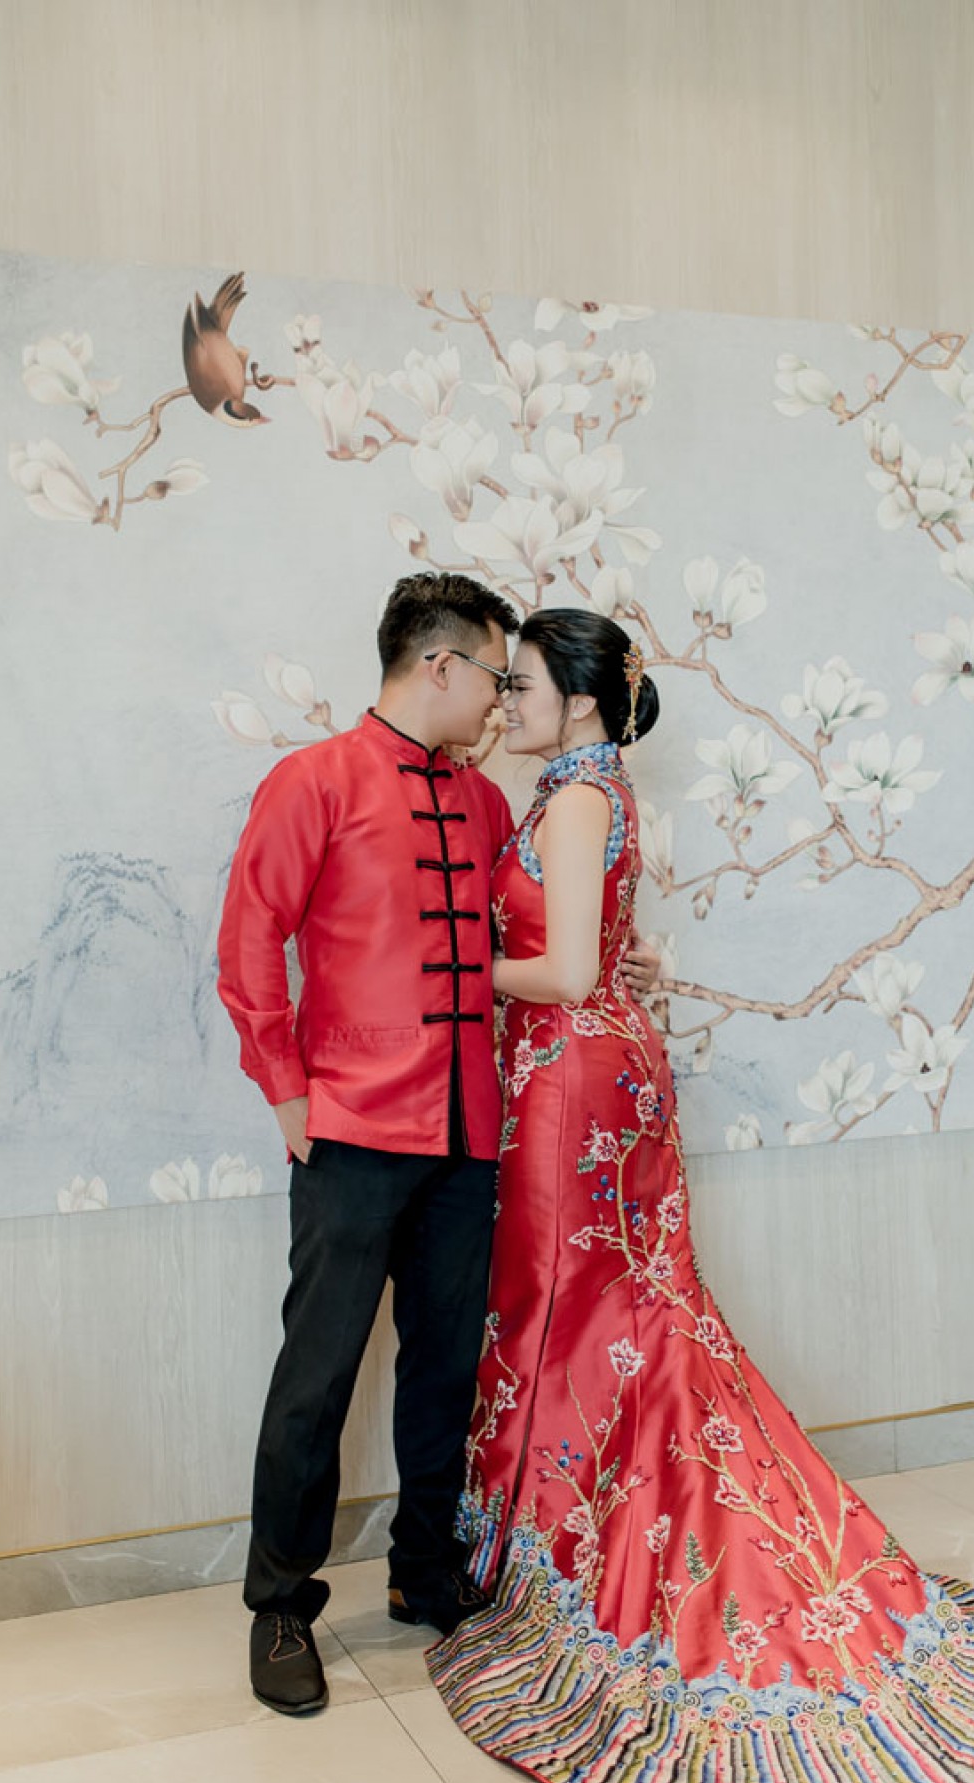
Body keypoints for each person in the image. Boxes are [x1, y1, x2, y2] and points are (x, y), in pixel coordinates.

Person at [426, 606, 974, 1783]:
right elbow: (589, 956)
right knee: (615, 1313)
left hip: (570, 1079)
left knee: (582, 1314)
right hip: (587, 1073)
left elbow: (561, 975)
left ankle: (574, 1553)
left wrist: (448, 966)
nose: (504, 704)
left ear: (580, 699)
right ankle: (567, 1537)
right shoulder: (581, 791)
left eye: (521, 686)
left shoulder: (575, 798)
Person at [219, 574, 658, 1716]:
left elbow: (539, 932)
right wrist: (286, 1093)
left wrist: (619, 956)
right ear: (441, 666)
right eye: (495, 677)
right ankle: (279, 1604)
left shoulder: (482, 804)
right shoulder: (312, 780)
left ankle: (425, 1570)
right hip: (352, 1130)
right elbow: (249, 940)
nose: (502, 702)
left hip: (471, 1134)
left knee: (447, 1364)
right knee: (318, 1371)